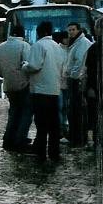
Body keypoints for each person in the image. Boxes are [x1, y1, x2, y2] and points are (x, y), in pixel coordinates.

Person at [22, 21, 65, 163]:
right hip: (54, 90)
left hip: (40, 91)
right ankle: (54, 153)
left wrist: (24, 66)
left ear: (39, 32)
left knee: (41, 125)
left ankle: (40, 152)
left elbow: (34, 66)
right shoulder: (58, 47)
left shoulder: (39, 45)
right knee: (54, 125)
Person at [0, 24, 32, 152]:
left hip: (8, 85)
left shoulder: (1, 47)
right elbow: (28, 66)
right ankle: (20, 140)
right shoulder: (24, 46)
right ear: (23, 34)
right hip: (23, 85)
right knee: (26, 113)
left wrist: (8, 75)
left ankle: (8, 139)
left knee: (13, 112)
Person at [85, 16, 103, 183]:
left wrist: (90, 89)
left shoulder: (95, 47)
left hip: (101, 91)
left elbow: (91, 71)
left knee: (102, 121)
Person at [64, 22, 93, 147]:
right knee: (73, 110)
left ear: (78, 30)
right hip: (74, 79)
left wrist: (72, 75)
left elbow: (79, 63)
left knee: (77, 110)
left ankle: (78, 137)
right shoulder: (75, 42)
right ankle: (75, 136)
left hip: (77, 81)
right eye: (69, 30)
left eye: (73, 30)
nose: (71, 32)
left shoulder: (82, 43)